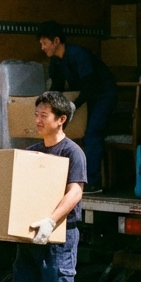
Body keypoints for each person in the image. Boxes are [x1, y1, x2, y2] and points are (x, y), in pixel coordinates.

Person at [7, 90, 95, 282]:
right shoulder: (32, 152)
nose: (37, 120)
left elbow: (75, 191)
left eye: (43, 116)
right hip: (30, 239)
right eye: (36, 115)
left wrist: (51, 219)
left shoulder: (72, 153)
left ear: (61, 120)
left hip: (60, 238)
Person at [37, 21, 118, 193]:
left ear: (56, 41)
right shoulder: (56, 62)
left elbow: (91, 85)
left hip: (104, 94)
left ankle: (93, 183)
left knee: (92, 134)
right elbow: (57, 87)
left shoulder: (78, 54)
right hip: (88, 97)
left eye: (44, 43)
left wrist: (74, 105)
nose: (42, 47)